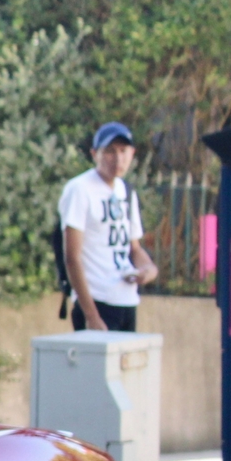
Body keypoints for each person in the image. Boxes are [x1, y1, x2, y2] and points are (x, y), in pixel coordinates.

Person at [58, 122, 157, 332]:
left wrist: (148, 269)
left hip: (127, 300)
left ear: (132, 153)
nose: (118, 159)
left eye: (123, 151)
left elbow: (134, 248)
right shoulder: (80, 189)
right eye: (110, 151)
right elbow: (72, 257)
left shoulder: (127, 191)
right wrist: (91, 316)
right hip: (97, 300)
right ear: (95, 154)